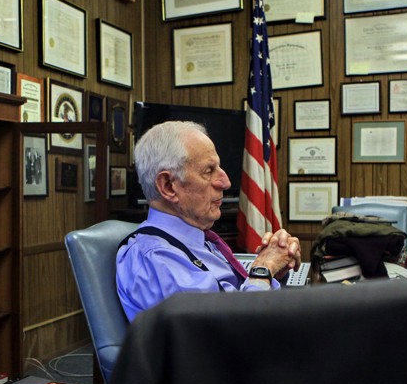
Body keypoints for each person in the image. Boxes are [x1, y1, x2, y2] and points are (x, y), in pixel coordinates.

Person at [116, 120, 301, 322]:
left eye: (218, 168)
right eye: (208, 171)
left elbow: (233, 299)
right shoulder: (156, 258)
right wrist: (263, 270)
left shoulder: (199, 241)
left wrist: (275, 272)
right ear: (168, 186)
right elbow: (228, 332)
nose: (225, 182)